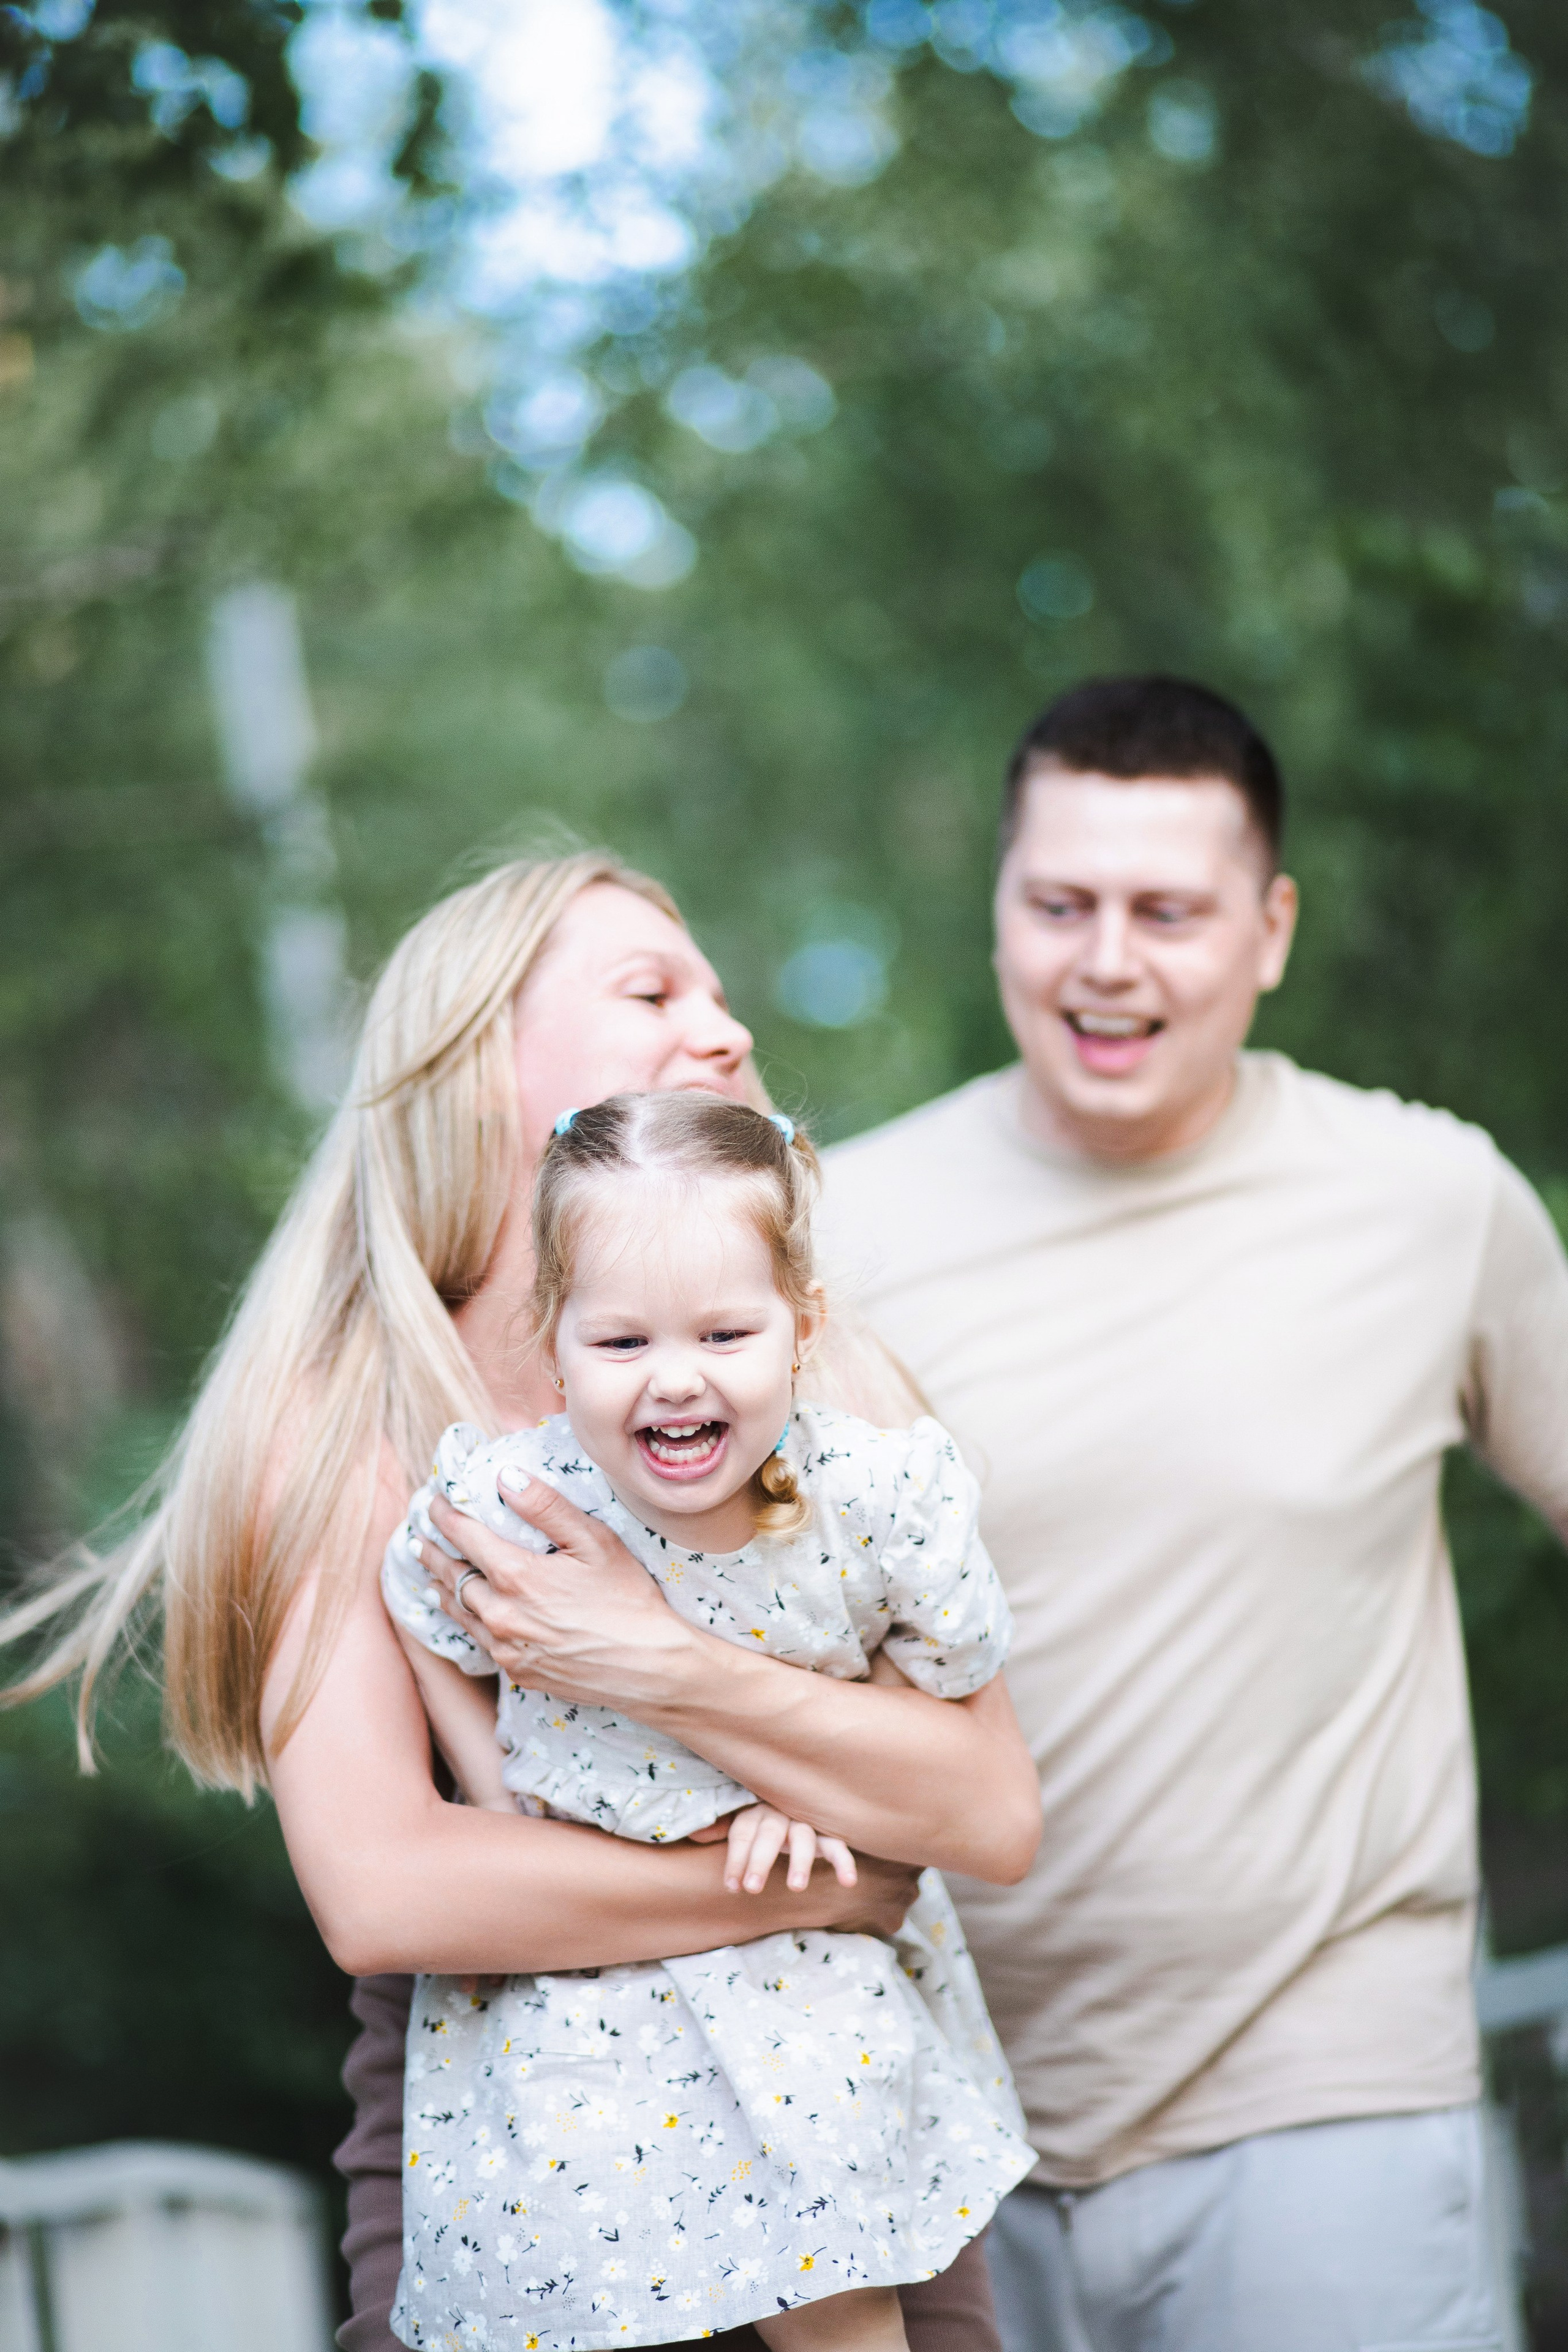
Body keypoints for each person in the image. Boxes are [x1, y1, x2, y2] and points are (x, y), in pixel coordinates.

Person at [2, 851, 1035, 2352]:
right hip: (537, 2165)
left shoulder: (819, 1395)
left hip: (849, 2125)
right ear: (478, 1066)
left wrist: (666, 1665)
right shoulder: (343, 1432)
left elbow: (987, 1810)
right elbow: (389, 1893)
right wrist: (808, 1885)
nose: (727, 1026)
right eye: (653, 992)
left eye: (723, 993)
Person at [816, 674, 1568, 2351]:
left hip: (1331, 2095)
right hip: (934, 2123)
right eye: (1061, 902)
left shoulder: (1430, 1201)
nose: (1108, 961)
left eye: (1169, 911)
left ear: (1271, 927)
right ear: (999, 905)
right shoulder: (831, 1234)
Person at [379, 1092, 1033, 2352]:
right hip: (582, 1980)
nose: (674, 1380)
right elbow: (418, 1606)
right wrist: (496, 1788)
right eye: (619, 1343)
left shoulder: (872, 1496)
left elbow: (946, 1655)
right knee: (586, 2277)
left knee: (840, 2295)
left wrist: (813, 1787)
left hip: (798, 1977)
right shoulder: (514, 1505)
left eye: (725, 1332)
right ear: (553, 1341)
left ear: (801, 1326)